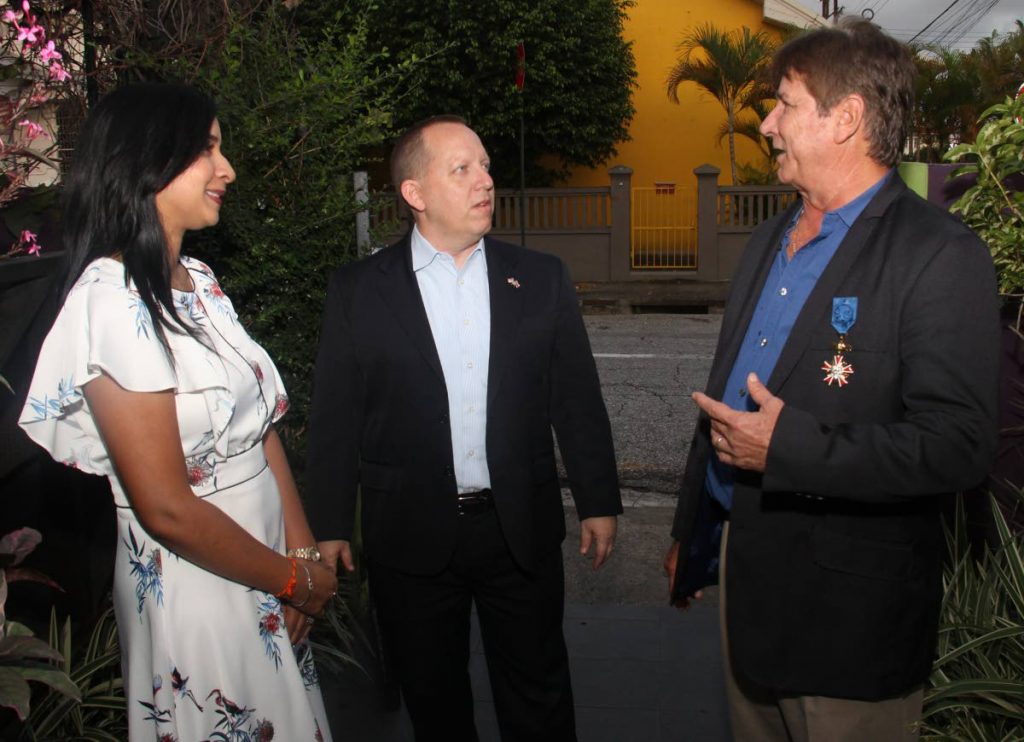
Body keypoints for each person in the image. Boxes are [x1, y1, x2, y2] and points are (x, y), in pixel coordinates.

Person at [664, 18, 999, 741]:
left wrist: (786, 449)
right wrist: (692, 533)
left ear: (845, 119)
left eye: (784, 103)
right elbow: (727, 398)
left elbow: (959, 444)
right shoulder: (768, 238)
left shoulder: (939, 254)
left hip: (850, 626)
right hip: (746, 595)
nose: (767, 124)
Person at [18, 83, 338, 741]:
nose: (228, 170)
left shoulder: (199, 282)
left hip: (264, 569)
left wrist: (299, 550)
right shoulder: (110, 303)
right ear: (147, 163)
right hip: (200, 587)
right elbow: (166, 508)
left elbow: (259, 430)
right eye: (208, 149)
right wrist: (291, 578)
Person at [305, 115, 622, 741]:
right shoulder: (359, 291)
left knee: (539, 692)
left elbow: (577, 400)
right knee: (435, 701)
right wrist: (331, 523)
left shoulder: (540, 279)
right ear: (415, 194)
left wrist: (599, 501)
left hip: (518, 527)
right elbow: (337, 413)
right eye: (463, 169)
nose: (485, 181)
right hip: (411, 534)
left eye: (485, 165)